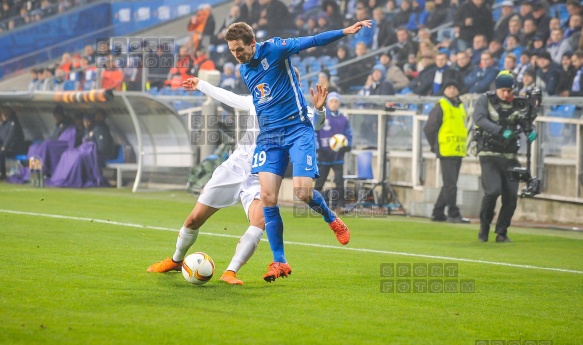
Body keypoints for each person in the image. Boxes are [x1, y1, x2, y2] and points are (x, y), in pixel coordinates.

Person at [147, 72, 329, 285]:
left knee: (259, 221)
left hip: (261, 176)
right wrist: (201, 84)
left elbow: (316, 123)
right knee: (193, 219)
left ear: (294, 83)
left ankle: (230, 272)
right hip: (234, 168)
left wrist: (319, 109)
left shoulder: (299, 111)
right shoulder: (257, 100)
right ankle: (177, 260)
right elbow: (228, 96)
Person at [223, 20, 371, 281]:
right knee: (268, 198)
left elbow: (312, 40)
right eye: (232, 51)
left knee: (302, 192)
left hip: (297, 130)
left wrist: (344, 31)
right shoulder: (245, 71)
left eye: (239, 50)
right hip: (270, 137)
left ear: (252, 44)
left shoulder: (276, 49)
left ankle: (331, 217)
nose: (236, 56)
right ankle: (279, 261)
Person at [472, 71, 538, 242]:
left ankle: (501, 231)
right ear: (497, 89)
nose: (507, 94)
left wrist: (531, 130)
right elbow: (479, 119)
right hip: (489, 154)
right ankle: (484, 227)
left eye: (510, 90)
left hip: (510, 156)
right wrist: (500, 131)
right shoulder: (485, 100)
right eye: (504, 90)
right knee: (492, 192)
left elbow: (525, 121)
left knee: (511, 196)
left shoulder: (517, 104)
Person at [423, 80, 470, 224]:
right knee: (451, 185)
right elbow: (429, 128)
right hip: (446, 150)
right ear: (444, 90)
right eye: (449, 87)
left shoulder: (460, 106)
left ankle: (438, 212)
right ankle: (453, 213)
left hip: (458, 150)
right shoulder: (441, 106)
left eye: (454, 87)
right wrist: (435, 146)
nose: (452, 90)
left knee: (449, 184)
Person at [314, 92, 352, 211]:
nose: (334, 104)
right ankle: (314, 204)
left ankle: (340, 205)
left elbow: (348, 135)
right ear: (328, 102)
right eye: (332, 101)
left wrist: (348, 146)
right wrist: (317, 147)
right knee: (320, 181)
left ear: (339, 103)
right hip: (324, 155)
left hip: (338, 156)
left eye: (336, 101)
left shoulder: (343, 118)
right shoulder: (322, 116)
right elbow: (315, 133)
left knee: (339, 181)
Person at [0, 108, 26, 180]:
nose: (3, 115)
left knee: (1, 153)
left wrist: (4, 147)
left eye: (4, 113)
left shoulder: (13, 123)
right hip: (9, 148)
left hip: (16, 148)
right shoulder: (4, 125)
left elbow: (10, 136)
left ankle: (3, 174)